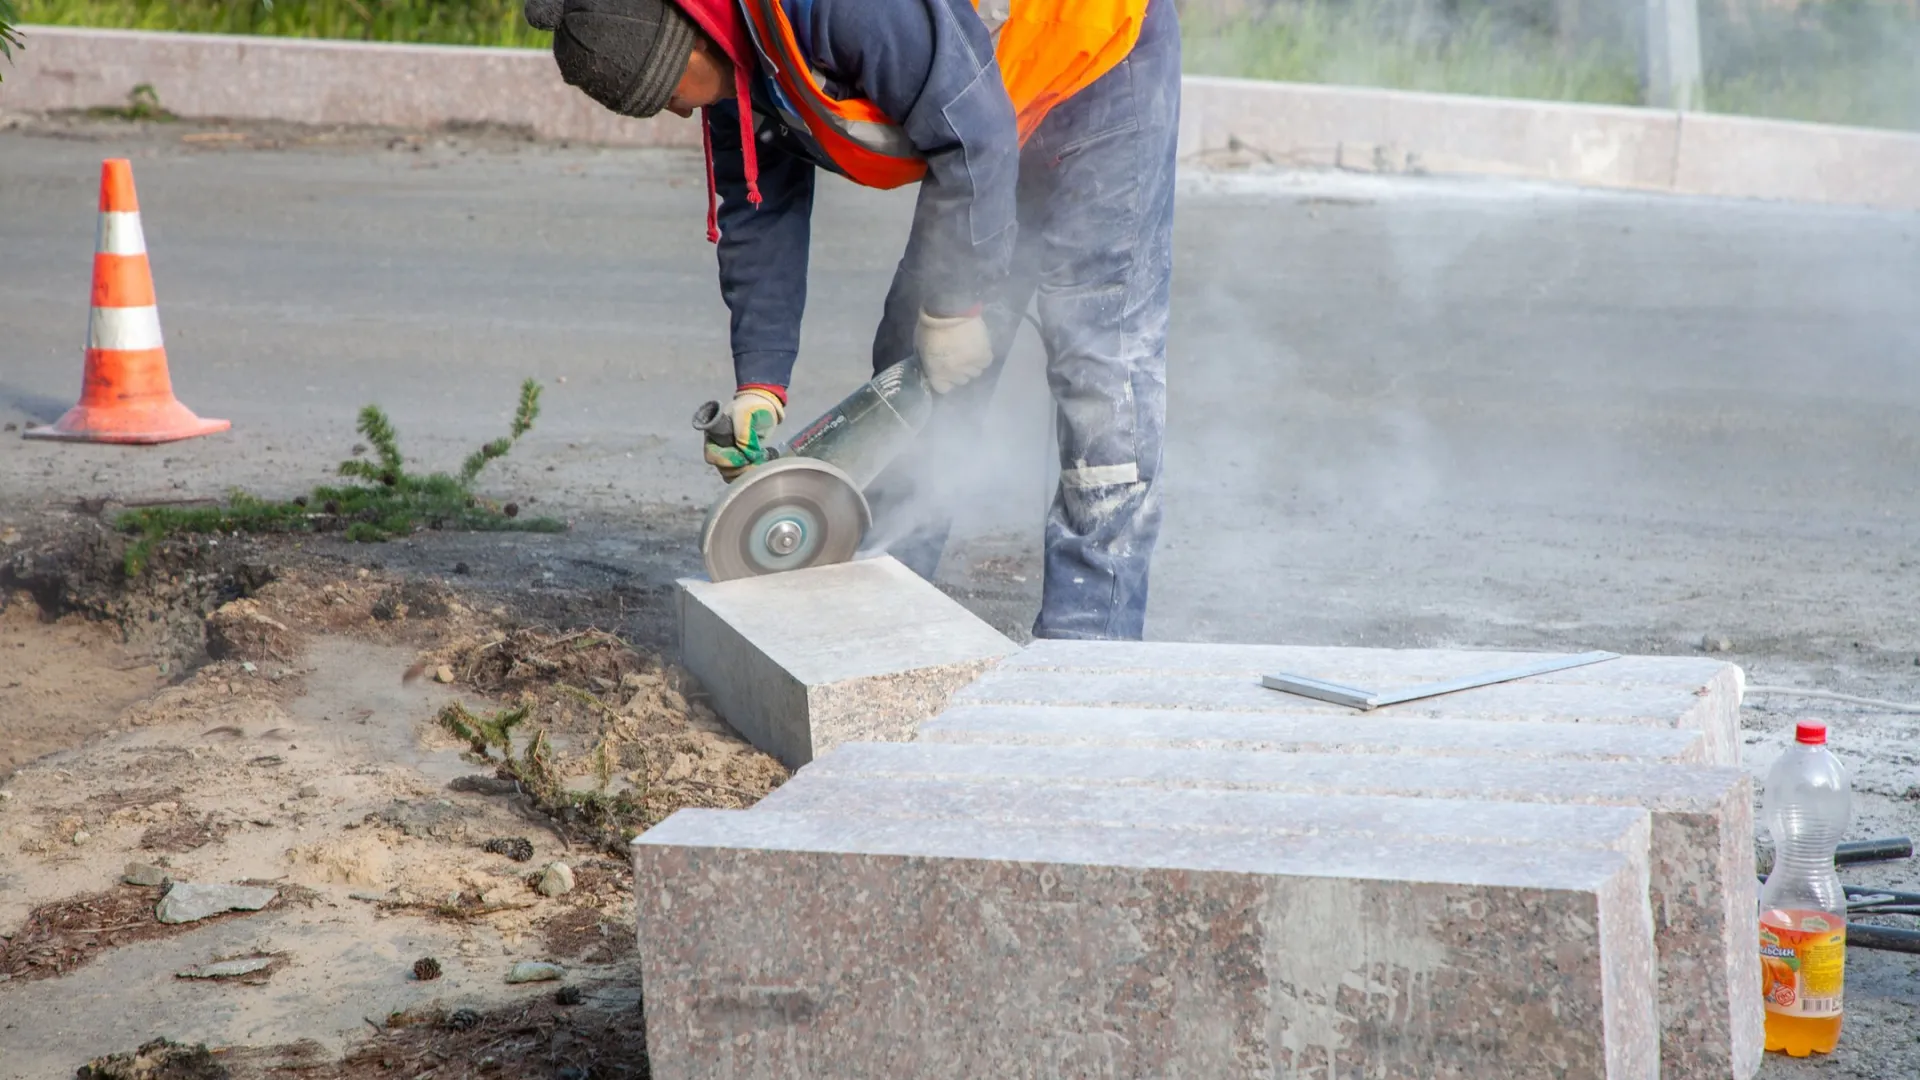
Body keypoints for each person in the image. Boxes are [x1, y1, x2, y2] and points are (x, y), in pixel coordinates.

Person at [524, 0, 1180, 641]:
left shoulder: (843, 9)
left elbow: (972, 137)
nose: (678, 108)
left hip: (1093, 56)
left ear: (694, 41)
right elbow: (758, 212)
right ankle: (886, 608)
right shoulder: (737, 64)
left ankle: (1089, 645)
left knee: (1099, 356)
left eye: (667, 93)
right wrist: (761, 385)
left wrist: (955, 306)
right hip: (988, 105)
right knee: (909, 370)